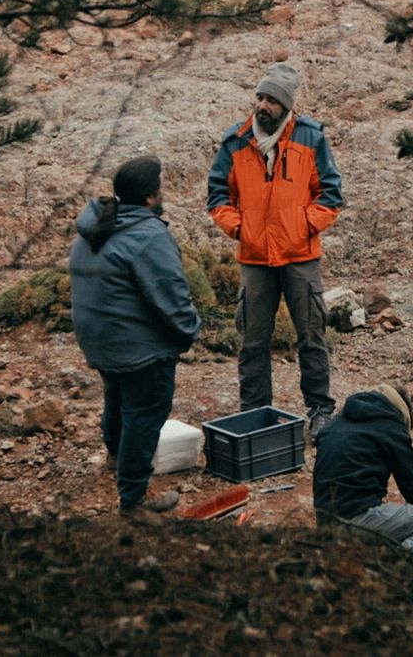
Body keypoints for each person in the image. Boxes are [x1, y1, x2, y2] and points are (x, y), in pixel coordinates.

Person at [206, 63, 344, 442]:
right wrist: (240, 230)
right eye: (260, 98)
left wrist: (302, 228)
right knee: (253, 340)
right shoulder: (235, 141)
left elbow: (331, 195)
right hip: (254, 260)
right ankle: (255, 415)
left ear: (285, 106)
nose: (262, 106)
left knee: (311, 336)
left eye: (271, 100)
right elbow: (218, 195)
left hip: (301, 258)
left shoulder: (311, 137)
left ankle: (320, 411)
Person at [69, 156, 202, 516]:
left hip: (98, 340)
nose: (163, 192)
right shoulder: (147, 237)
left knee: (117, 395)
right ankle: (134, 498)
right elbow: (171, 296)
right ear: (149, 197)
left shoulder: (95, 227)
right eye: (160, 187)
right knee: (145, 412)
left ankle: (115, 455)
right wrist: (191, 331)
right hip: (137, 348)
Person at [312, 384, 413, 554]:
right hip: (357, 518)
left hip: (325, 522)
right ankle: (396, 563)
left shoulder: (335, 423)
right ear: (402, 414)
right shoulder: (390, 426)